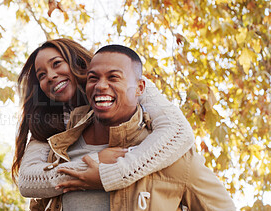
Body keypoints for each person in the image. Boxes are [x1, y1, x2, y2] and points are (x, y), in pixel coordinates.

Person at [24, 44, 235, 210]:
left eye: (56, 64)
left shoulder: (162, 147)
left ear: (79, 64)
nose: (50, 76)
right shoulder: (52, 138)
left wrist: (111, 174)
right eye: (41, 75)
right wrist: (93, 164)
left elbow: (177, 130)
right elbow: (27, 182)